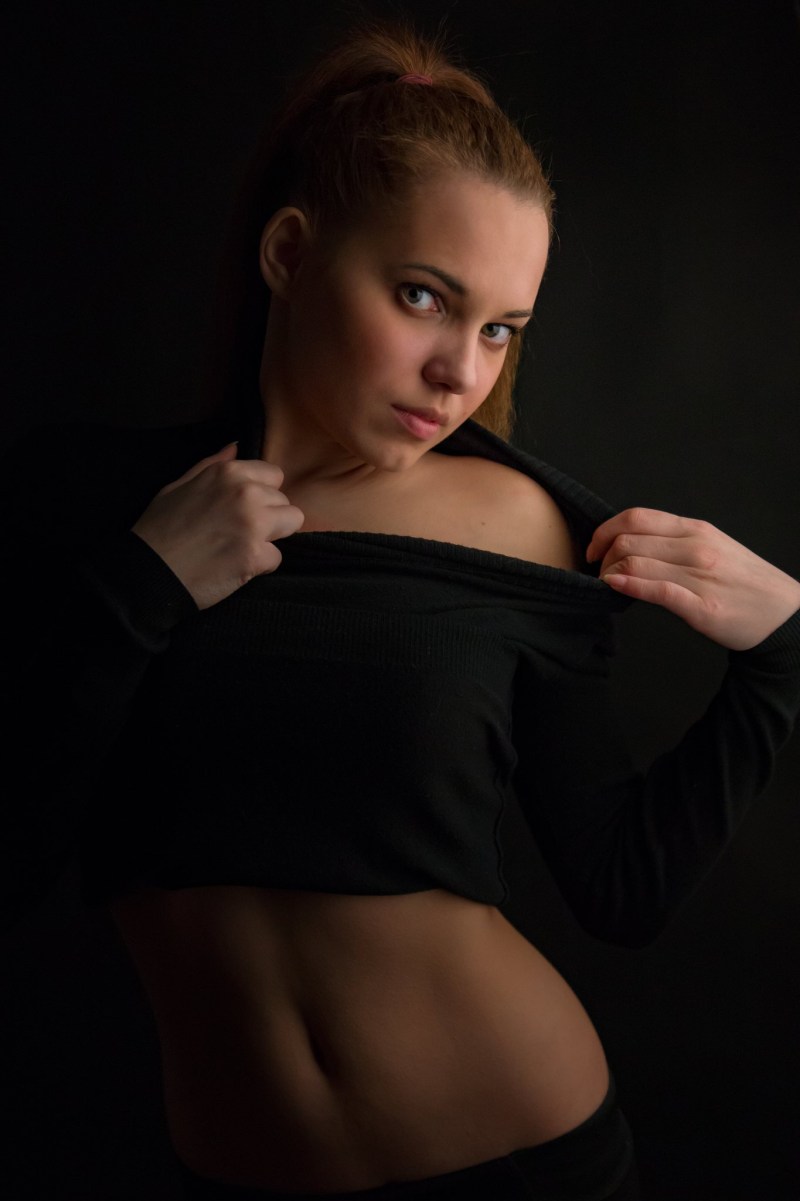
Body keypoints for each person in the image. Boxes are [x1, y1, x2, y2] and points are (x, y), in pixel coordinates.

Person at [4, 20, 800, 1201]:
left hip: (522, 1164)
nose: (460, 372)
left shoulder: (521, 525)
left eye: (498, 330)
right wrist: (141, 589)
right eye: (423, 296)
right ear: (290, 252)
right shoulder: (86, 508)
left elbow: (619, 887)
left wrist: (780, 657)